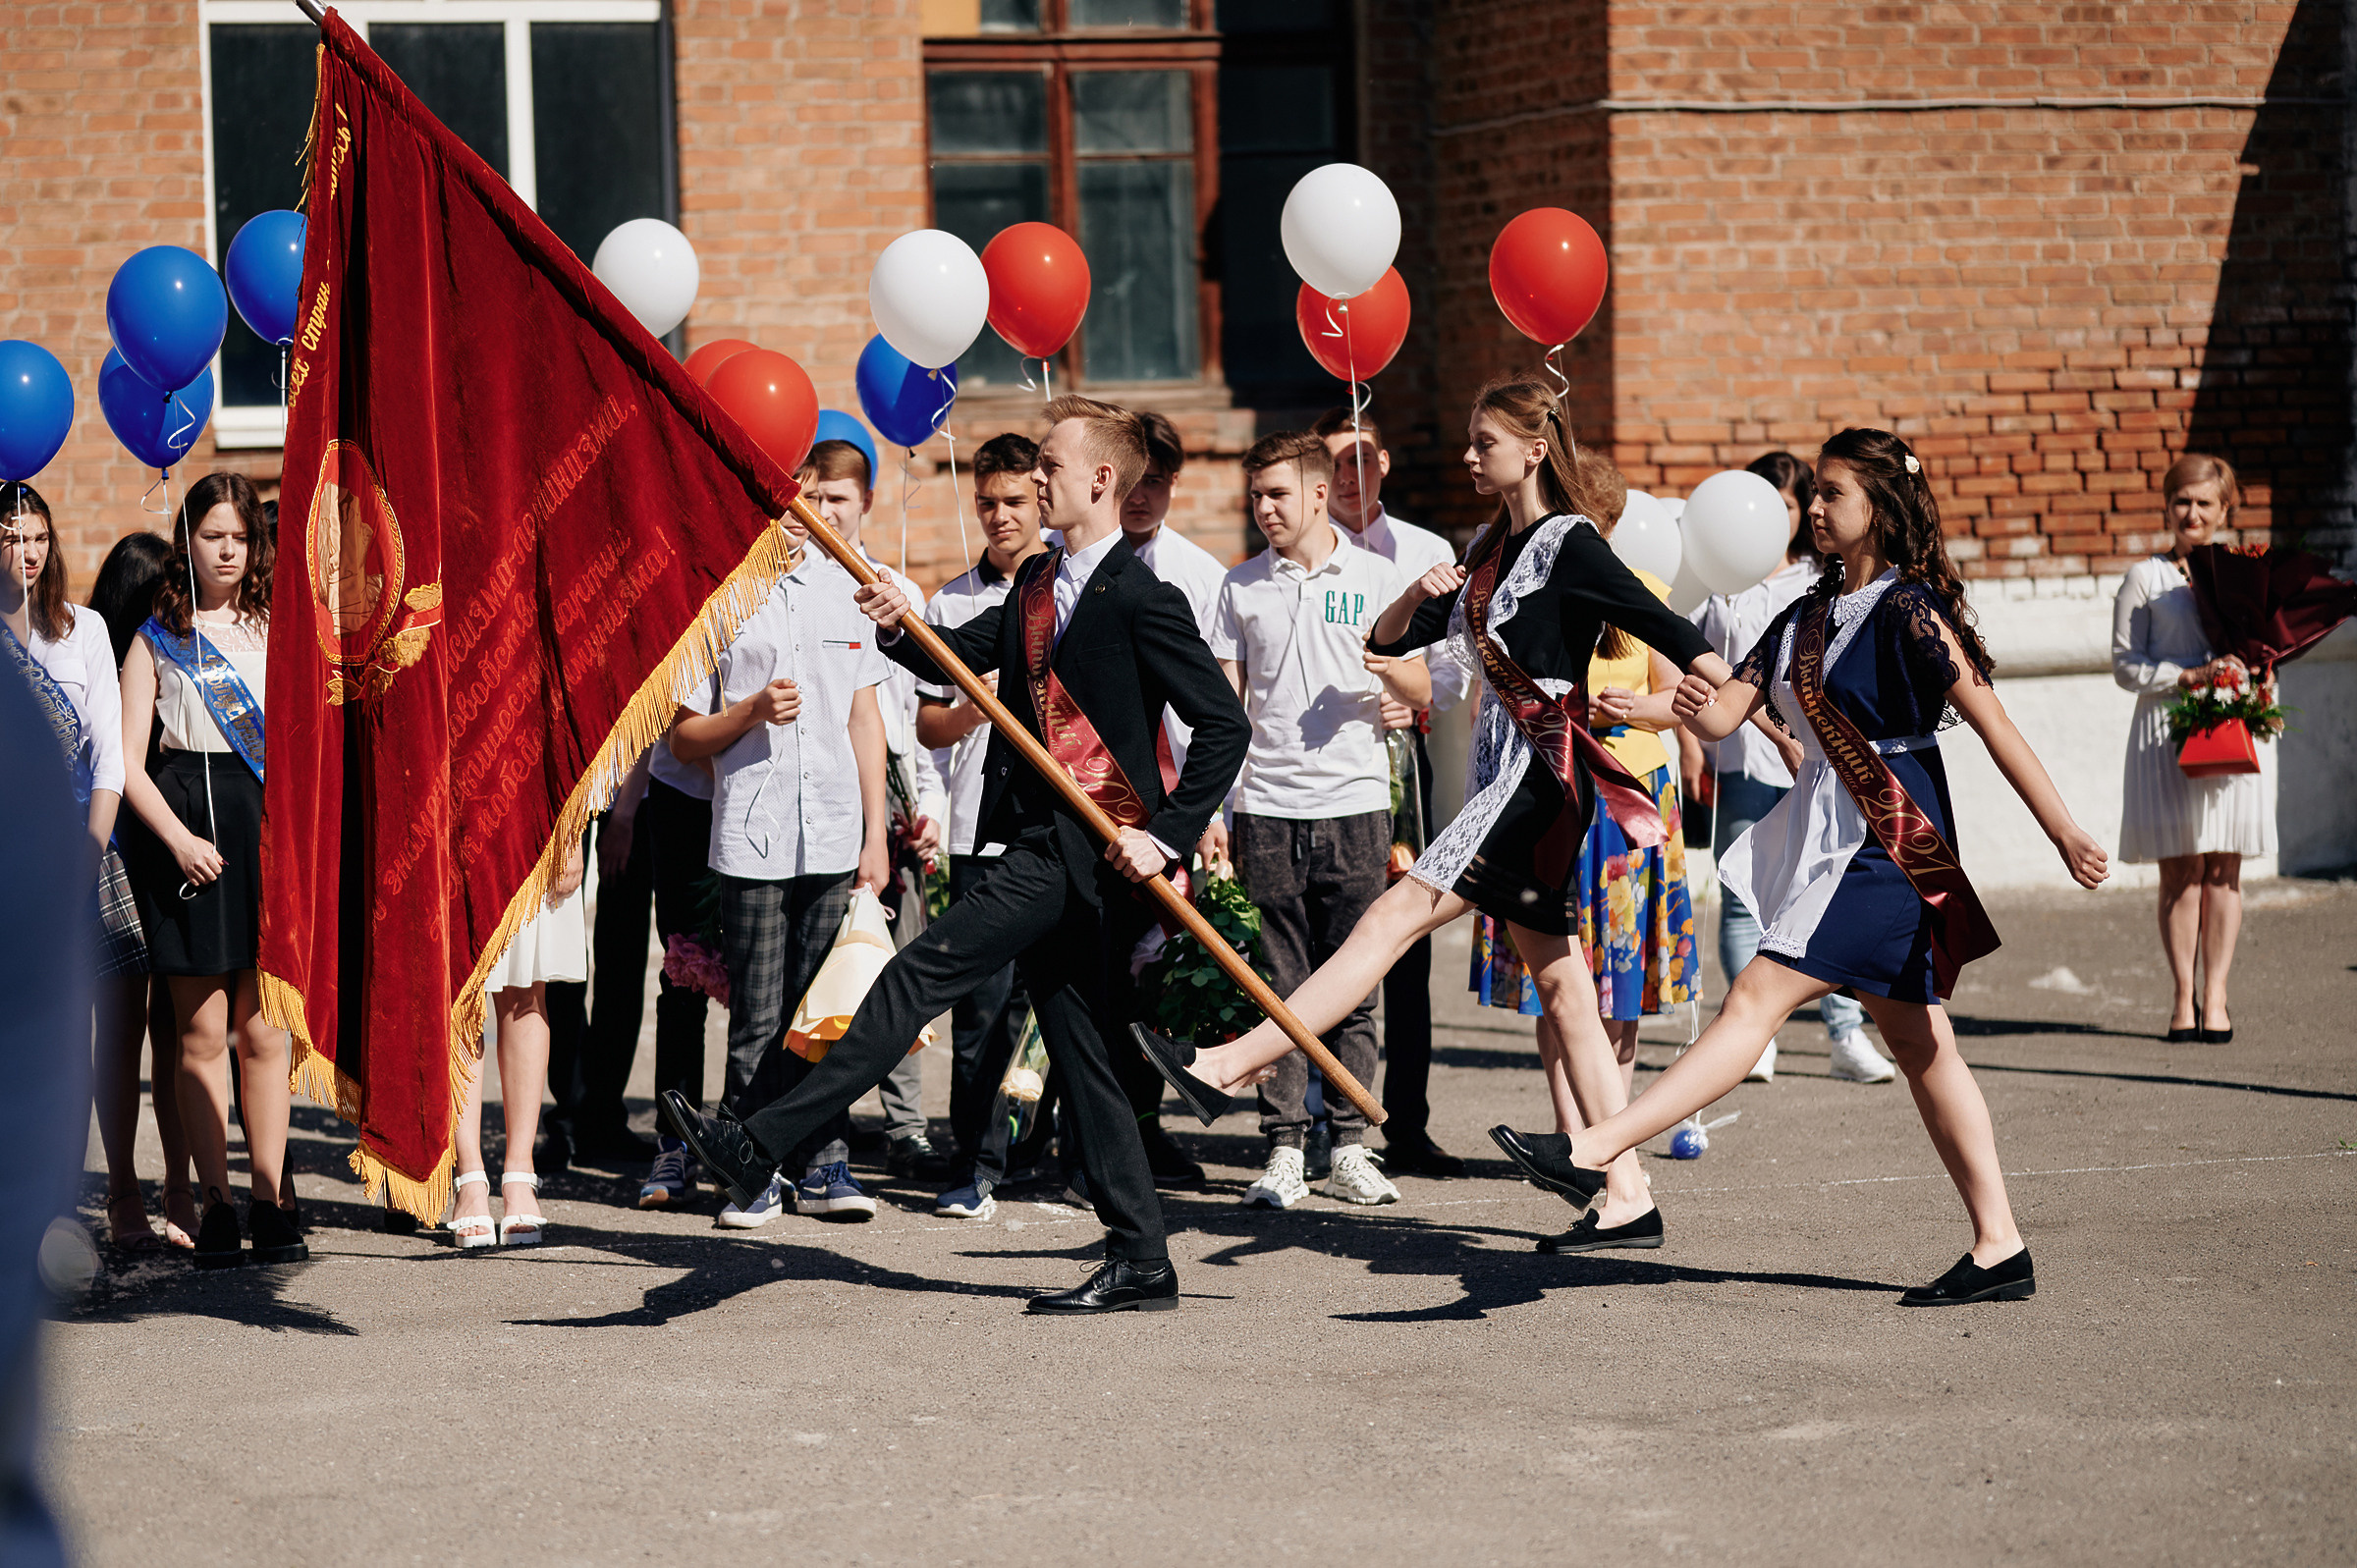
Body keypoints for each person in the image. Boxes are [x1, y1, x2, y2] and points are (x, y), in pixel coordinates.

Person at [1490, 428, 2110, 1303]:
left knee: (1756, 997)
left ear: (1882, 509)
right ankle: (2000, 1245)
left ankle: (1596, 1146)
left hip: (1894, 846)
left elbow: (1996, 723)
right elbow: (1719, 714)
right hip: (1827, 835)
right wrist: (1642, 705)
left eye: (1833, 494)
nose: (1814, 509)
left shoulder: (1910, 609)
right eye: (1812, 493)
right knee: (1923, 1047)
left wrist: (2064, 831)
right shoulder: (1802, 614)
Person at [662, 395, 1249, 1315]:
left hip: (1080, 853)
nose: (1038, 478)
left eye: (1051, 466)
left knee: (913, 973)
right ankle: (1142, 1258)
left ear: (1100, 479)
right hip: (1036, 839)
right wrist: (897, 621)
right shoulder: (1039, 584)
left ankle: (757, 1140)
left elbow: (1223, 726)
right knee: (1084, 1051)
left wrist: (1165, 831)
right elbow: (955, 658)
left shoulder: (1145, 597)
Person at [1132, 375, 1731, 1253]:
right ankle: (1628, 1193)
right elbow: (1383, 644)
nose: (1466, 455)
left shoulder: (1570, 543)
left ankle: (1231, 1062)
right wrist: (1419, 594)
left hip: (1537, 780)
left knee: (1389, 917)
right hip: (1499, 775)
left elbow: (1668, 629)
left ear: (1532, 450)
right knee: (1564, 989)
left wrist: (1738, 699)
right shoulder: (1492, 551)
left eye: (1483, 442)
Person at [1461, 455, 1699, 1247]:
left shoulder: (1636, 592)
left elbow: (1688, 694)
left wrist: (1644, 708)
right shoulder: (1517, 585)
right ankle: (1577, 1152)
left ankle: (1608, 1150)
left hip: (1628, 799)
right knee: (1556, 986)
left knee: (1617, 988)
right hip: (1549, 795)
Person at [664, 477, 895, 1228]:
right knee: (759, 1013)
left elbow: (865, 718)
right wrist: (752, 710)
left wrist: (875, 833)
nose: (806, 517)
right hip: (752, 835)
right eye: (786, 504)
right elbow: (683, 735)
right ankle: (750, 1167)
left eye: (815, 502)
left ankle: (826, 1158)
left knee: (821, 1011)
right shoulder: (719, 596)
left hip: (832, 828)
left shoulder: (846, 589)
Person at [1208, 431, 1427, 1210]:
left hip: (1357, 806)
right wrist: (1217, 808)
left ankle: (1352, 1144)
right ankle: (1282, 1148)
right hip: (1266, 807)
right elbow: (1224, 712)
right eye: (1255, 496)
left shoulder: (1375, 577)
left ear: (1316, 492)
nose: (1264, 509)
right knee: (1278, 985)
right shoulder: (1238, 588)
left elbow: (1423, 685)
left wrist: (1394, 677)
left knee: (1356, 986)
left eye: (1276, 495)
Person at [118, 472, 304, 1270]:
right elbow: (126, 763)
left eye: (239, 537)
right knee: (198, 1033)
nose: (227, 550)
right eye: (211, 536)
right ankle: (217, 1202)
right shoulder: (154, 638)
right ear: (185, 543)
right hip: (187, 837)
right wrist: (178, 839)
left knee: (266, 1031)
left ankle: (270, 1196)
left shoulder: (282, 628)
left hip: (267, 832)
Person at [1686, 451, 1891, 1084]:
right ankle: (1756, 1037)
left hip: (1812, 765)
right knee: (1744, 897)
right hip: (1743, 764)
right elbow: (1700, 663)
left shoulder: (1817, 582)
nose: (1775, 518)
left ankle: (1844, 1034)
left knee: (1820, 899)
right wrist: (1697, 737)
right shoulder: (1718, 579)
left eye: (1788, 505)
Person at [1312, 406, 1474, 1177]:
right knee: (1329, 943)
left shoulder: (1427, 550)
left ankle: (1406, 1119)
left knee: (1405, 939)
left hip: (1402, 767)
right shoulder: (1298, 545)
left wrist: (1415, 693)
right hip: (1323, 771)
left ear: (1386, 463)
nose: (1353, 474)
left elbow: (1453, 666)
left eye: (1365, 458)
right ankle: (1322, 1117)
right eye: (1338, 461)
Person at [796, 440, 951, 1183]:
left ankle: (907, 1120)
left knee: (897, 958)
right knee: (822, 961)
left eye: (841, 501)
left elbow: (906, 710)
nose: (827, 513)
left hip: (885, 788)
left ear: (866, 504)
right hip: (817, 786)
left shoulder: (894, 590)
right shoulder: (787, 580)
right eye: (816, 498)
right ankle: (819, 1118)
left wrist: (923, 805)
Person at [1, 492, 148, 1254]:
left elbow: (108, 755)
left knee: (118, 1018)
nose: (26, 550)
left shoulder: (82, 627)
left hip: (86, 845)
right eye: (10, 536)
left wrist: (86, 857)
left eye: (37, 536)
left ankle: (124, 1192)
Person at [920, 432, 1052, 1222]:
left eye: (1014, 502)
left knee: (1053, 1004)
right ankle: (973, 1158)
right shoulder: (952, 603)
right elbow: (930, 726)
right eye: (987, 504)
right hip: (977, 831)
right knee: (980, 1011)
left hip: (1052, 830)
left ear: (1042, 499)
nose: (1000, 517)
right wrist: (977, 704)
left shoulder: (1069, 588)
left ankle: (1036, 1147)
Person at [2113, 453, 2266, 1045]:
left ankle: (2218, 997)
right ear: (2168, 506)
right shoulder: (2145, 578)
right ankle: (2182, 997)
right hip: (2167, 731)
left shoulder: (2248, 573)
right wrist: (2187, 677)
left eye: (2205, 503)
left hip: (2234, 725)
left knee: (2225, 867)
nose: (2192, 513)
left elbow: (2264, 650)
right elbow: (2126, 665)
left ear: (2225, 509)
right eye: (2183, 501)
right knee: (2181, 868)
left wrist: (2257, 673)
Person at [86, 529, 195, 1249]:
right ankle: (123, 1188)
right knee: (126, 1027)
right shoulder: (103, 647)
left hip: (174, 851)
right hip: (121, 850)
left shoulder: (179, 648)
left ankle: (180, 1186)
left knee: (178, 1028)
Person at [448, 840, 584, 1247]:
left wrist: (570, 833)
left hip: (525, 802)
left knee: (526, 986)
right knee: (458, 992)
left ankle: (519, 1173)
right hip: (447, 804)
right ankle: (468, 1175)